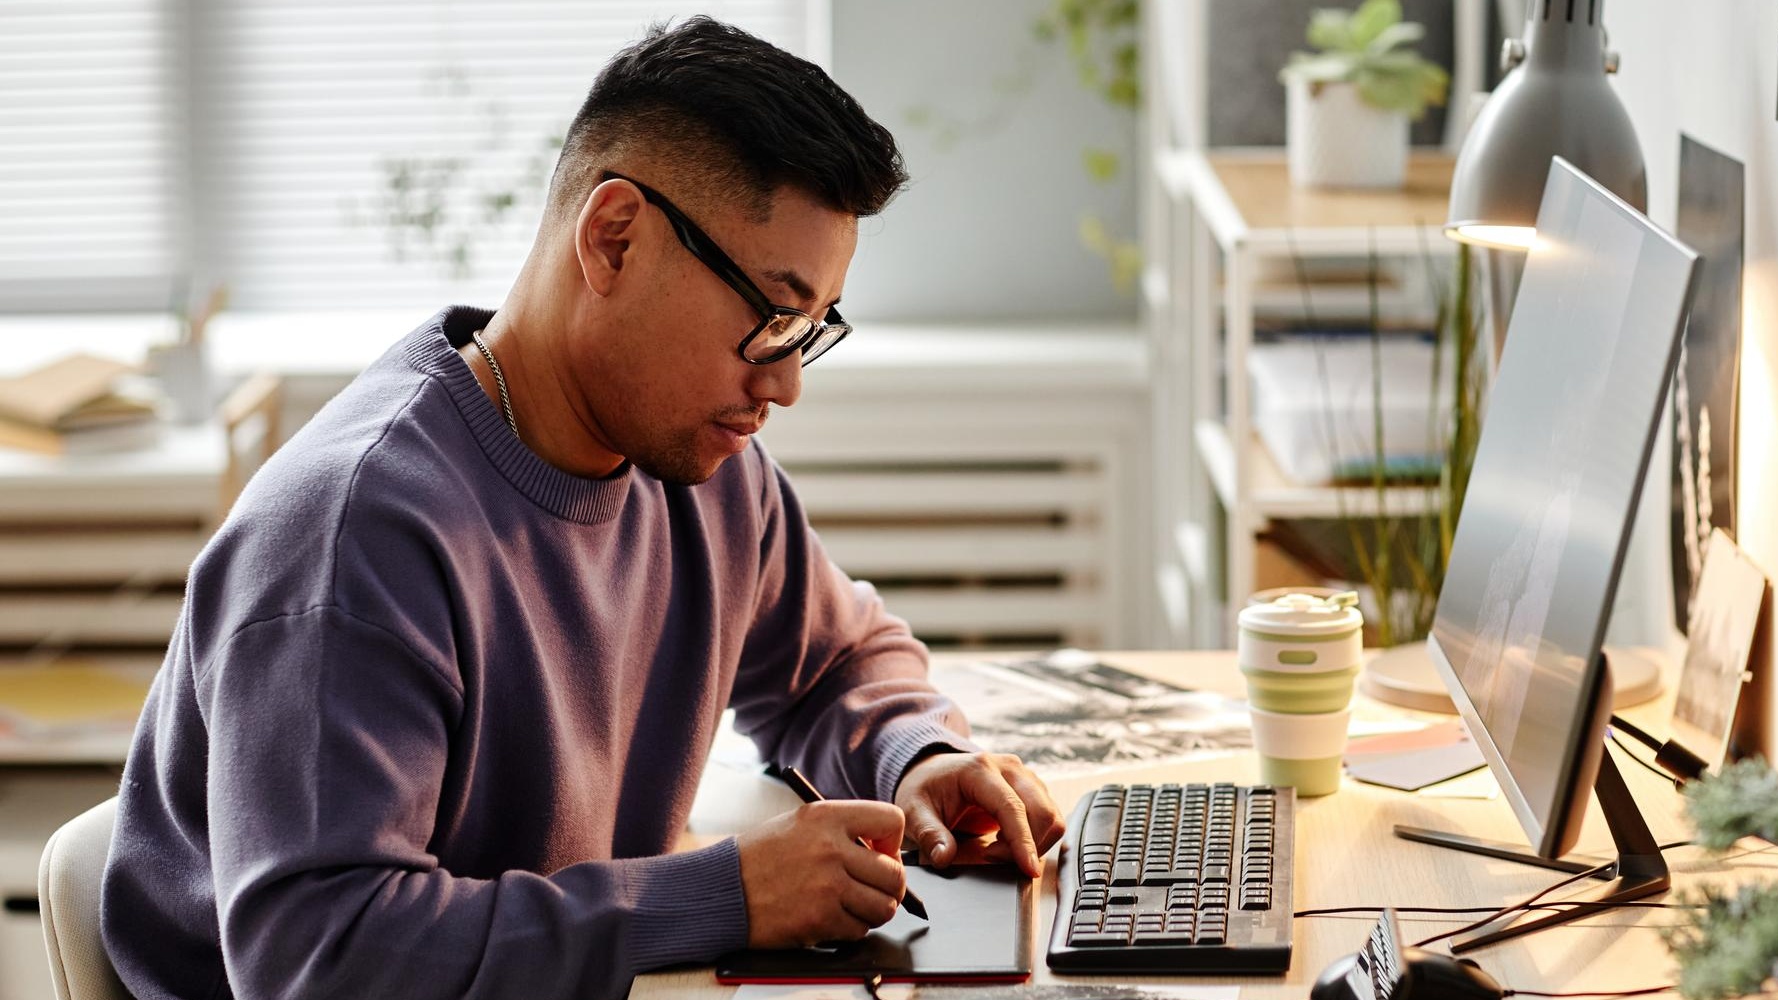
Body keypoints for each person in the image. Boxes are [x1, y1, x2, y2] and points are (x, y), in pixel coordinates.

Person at [101, 17, 1065, 1000]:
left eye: (809, 333)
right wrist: (717, 897)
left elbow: (831, 662)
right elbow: (320, 957)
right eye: (770, 321)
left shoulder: (701, 467)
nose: (784, 387)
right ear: (615, 238)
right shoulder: (355, 535)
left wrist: (914, 755)